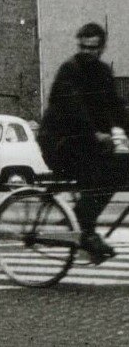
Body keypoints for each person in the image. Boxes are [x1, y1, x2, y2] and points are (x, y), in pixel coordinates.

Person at [39, 22, 129, 261]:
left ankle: (83, 225)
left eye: (92, 48)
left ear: (101, 48)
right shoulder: (69, 70)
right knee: (106, 170)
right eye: (83, 47)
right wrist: (95, 134)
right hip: (59, 142)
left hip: (83, 142)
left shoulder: (103, 72)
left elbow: (115, 107)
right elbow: (74, 108)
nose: (87, 52)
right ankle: (84, 228)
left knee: (121, 167)